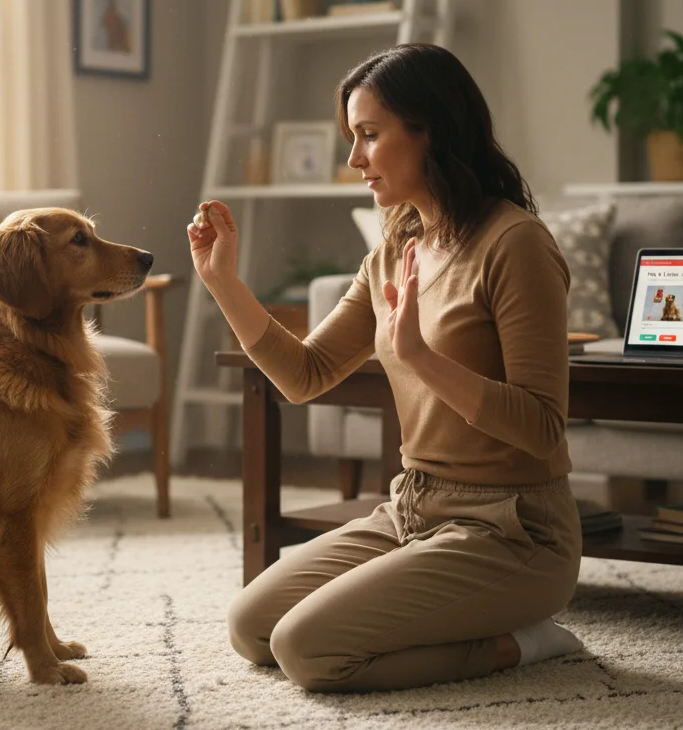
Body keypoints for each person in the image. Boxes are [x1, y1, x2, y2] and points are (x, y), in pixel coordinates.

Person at [186, 43, 583, 693]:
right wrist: (223, 281)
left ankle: (524, 643)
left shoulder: (516, 245)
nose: (354, 159)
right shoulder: (395, 249)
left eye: (369, 135)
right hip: (412, 508)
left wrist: (420, 356)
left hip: (516, 530)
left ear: (432, 130)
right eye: (353, 137)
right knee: (252, 627)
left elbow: (544, 429)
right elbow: (305, 374)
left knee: (307, 650)